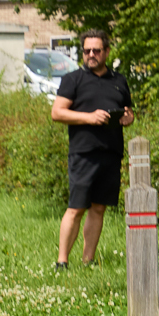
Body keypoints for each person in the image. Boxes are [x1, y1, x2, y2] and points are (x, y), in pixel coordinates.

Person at [50, 30, 134, 270]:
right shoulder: (73, 80)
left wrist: (128, 117)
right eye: (87, 51)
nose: (91, 55)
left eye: (97, 50)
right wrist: (89, 118)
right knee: (76, 208)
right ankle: (62, 261)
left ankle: (88, 260)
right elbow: (57, 112)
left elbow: (128, 111)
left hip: (111, 153)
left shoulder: (119, 81)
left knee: (99, 208)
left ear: (107, 52)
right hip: (83, 153)